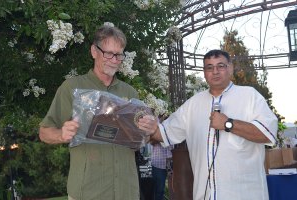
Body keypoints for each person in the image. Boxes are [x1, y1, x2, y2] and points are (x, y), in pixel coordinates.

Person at [138, 49, 278, 200]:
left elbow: (267, 133)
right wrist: (151, 128)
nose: (215, 71)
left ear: (230, 68)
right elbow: (164, 133)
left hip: (244, 194)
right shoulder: (192, 104)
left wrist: (228, 124)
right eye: (209, 67)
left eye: (221, 66)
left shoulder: (250, 96)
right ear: (204, 72)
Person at [39, 24, 141, 200]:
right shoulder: (71, 88)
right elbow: (44, 132)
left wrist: (147, 129)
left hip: (127, 191)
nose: (114, 60)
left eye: (119, 55)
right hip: (88, 192)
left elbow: (139, 140)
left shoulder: (130, 93)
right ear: (94, 51)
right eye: (109, 53)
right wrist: (61, 135)